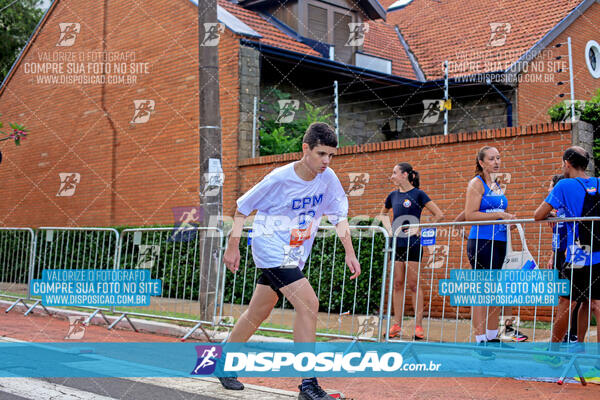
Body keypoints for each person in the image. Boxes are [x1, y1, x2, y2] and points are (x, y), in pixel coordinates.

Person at [219, 122, 361, 400]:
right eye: (321, 154)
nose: (326, 161)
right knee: (309, 303)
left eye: (331, 155)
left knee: (258, 312)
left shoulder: (328, 178)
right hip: (269, 246)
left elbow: (339, 216)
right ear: (305, 149)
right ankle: (308, 384)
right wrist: (232, 246)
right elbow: (242, 208)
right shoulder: (279, 178)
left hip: (294, 253)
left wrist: (350, 251)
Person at [534, 146, 600, 381]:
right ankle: (582, 352)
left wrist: (557, 216)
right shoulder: (599, 183)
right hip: (599, 251)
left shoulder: (563, 185)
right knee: (593, 304)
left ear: (567, 163)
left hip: (579, 252)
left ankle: (554, 351)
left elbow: (538, 215)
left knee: (567, 301)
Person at [379, 163, 443, 340]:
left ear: (405, 175)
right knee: (398, 283)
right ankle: (396, 325)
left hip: (413, 244)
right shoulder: (392, 195)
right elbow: (382, 215)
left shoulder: (418, 194)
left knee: (414, 284)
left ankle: (418, 326)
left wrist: (421, 229)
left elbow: (439, 214)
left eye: (394, 173)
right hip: (396, 243)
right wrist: (389, 230)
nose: (391, 176)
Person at [464, 146, 515, 358]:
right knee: (482, 291)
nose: (496, 162)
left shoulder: (497, 184)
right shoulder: (476, 183)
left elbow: (494, 212)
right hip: (482, 242)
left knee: (494, 291)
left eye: (499, 158)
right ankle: (480, 340)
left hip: (500, 241)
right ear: (482, 162)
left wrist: (507, 221)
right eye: (492, 159)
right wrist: (500, 216)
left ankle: (493, 337)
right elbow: (470, 215)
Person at [546, 174, 580, 343]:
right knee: (563, 296)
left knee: (571, 296)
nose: (548, 189)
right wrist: (553, 255)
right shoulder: (556, 211)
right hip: (559, 255)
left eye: (551, 186)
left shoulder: (567, 207)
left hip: (571, 254)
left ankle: (572, 333)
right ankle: (565, 332)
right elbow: (558, 235)